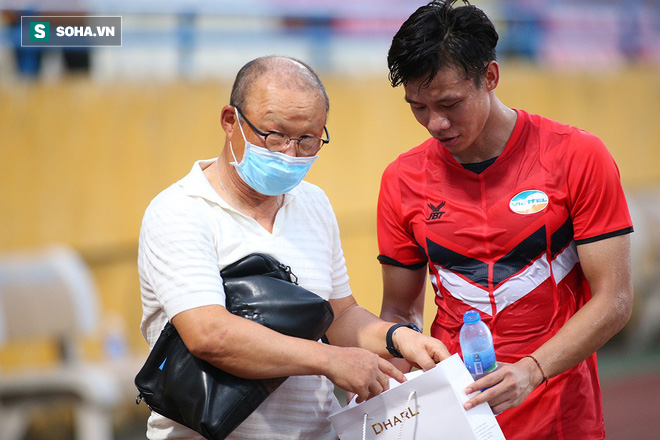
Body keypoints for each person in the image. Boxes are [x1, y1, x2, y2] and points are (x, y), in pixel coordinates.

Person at [138, 55, 450, 440]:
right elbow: (210, 334)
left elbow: (339, 315)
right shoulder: (180, 211)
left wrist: (396, 337)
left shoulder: (312, 202)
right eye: (274, 135)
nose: (289, 154)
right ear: (230, 121)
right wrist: (330, 360)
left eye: (307, 140)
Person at [377, 1, 634, 439]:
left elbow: (614, 300)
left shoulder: (576, 156)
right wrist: (390, 396)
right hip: (455, 416)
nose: (435, 123)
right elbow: (399, 311)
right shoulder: (402, 179)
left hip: (561, 414)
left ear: (490, 77)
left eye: (449, 103)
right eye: (417, 107)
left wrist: (533, 370)